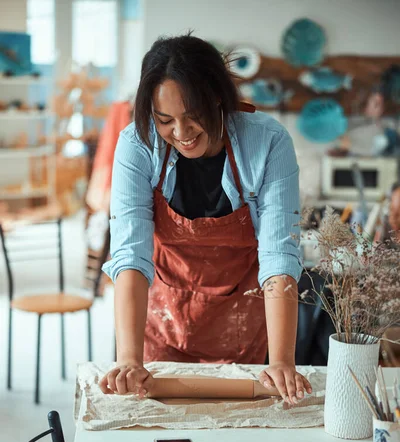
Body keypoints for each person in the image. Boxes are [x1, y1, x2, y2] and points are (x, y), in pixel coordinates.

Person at [100, 33, 312, 405]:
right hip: (163, 317)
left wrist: (282, 361)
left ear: (218, 98)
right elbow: (131, 254)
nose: (180, 134)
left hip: (241, 320)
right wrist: (129, 359)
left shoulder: (268, 143)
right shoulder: (137, 144)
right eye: (165, 120)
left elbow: (279, 254)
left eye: (192, 116)